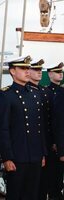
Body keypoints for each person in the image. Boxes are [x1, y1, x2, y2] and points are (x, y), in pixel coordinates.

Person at [0, 56, 46, 200]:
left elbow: (39, 125)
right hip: (17, 156)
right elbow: (3, 129)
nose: (27, 71)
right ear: (12, 71)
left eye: (28, 68)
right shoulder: (6, 95)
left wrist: (42, 152)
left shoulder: (35, 94)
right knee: (16, 194)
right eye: (23, 68)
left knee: (32, 194)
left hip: (35, 155)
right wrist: (7, 157)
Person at [28, 59, 53, 200]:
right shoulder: (27, 92)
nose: (39, 72)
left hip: (46, 140)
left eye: (40, 70)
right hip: (32, 143)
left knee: (44, 182)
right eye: (35, 70)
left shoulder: (45, 91)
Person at [46, 62, 64, 200]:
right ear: (50, 74)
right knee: (54, 181)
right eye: (57, 72)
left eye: (61, 72)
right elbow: (55, 121)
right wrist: (55, 143)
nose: (60, 74)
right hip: (54, 143)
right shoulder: (47, 92)